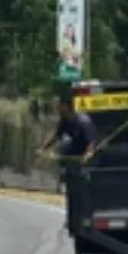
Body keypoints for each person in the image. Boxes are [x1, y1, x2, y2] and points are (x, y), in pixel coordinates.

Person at [39, 96, 99, 231]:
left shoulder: (83, 121)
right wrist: (43, 149)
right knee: (71, 189)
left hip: (88, 161)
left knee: (83, 188)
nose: (57, 107)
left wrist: (88, 155)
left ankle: (87, 217)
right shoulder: (64, 122)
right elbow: (55, 137)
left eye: (60, 105)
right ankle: (73, 220)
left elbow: (92, 142)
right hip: (73, 160)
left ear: (67, 106)